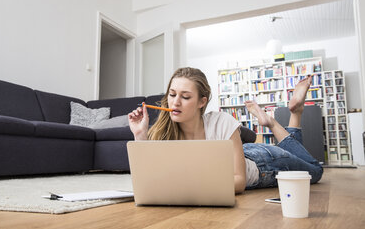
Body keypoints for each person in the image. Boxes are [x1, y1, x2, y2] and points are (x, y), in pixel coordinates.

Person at [128, 67, 323, 194]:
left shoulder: (222, 122)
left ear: (201, 102)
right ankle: (294, 113)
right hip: (238, 155)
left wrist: (191, 186)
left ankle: (274, 121)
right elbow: (150, 181)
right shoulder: (163, 133)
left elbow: (239, 181)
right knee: (304, 160)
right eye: (172, 94)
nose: (175, 102)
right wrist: (140, 136)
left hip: (264, 164)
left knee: (315, 170)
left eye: (185, 97)